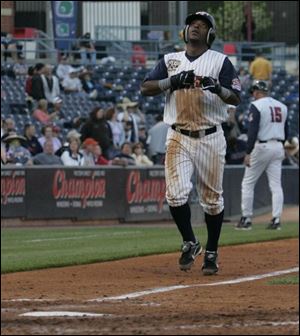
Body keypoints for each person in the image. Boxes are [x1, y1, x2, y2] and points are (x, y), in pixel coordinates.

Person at [141, 11, 241, 275]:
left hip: (210, 136)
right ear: (185, 32)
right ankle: (190, 241)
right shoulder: (170, 60)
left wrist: (217, 88)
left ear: (210, 34)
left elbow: (236, 97)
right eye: (192, 25)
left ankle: (212, 251)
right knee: (175, 194)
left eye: (202, 26)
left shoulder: (220, 61)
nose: (195, 28)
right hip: (178, 135)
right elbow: (146, 87)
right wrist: (171, 81)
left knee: (212, 200)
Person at [236, 80, 288, 231]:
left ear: (257, 92)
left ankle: (246, 219)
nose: (252, 95)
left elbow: (252, 132)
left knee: (248, 183)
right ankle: (276, 220)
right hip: (278, 146)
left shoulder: (257, 105)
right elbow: (287, 131)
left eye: (253, 92)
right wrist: (282, 146)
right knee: (276, 186)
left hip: (262, 146)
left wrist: (248, 152)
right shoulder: (282, 106)